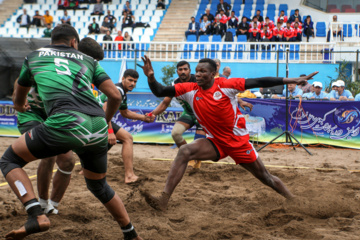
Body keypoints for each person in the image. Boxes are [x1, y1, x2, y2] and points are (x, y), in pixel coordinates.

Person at [1, 24, 142, 240]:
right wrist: (105, 124)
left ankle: (37, 212)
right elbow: (115, 97)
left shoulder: (34, 56)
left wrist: (19, 106)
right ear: (74, 43)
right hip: (84, 122)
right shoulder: (87, 61)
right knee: (97, 184)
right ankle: (130, 233)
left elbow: (17, 97)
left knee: (10, 160)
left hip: (63, 119)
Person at [139, 55, 318, 211]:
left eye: (203, 72)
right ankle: (163, 200)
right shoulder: (189, 88)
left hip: (237, 141)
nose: (198, 74)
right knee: (185, 151)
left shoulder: (225, 85)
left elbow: (260, 81)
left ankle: (293, 200)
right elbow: (160, 91)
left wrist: (292, 80)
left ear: (212, 74)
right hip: (215, 141)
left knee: (266, 178)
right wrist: (151, 77)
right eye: (197, 71)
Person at [96, 69, 154, 183]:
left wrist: (144, 118)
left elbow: (125, 113)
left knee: (106, 143)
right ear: (123, 79)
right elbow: (104, 110)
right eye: (130, 80)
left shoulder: (122, 92)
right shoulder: (118, 90)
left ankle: (86, 169)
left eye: (135, 81)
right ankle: (129, 176)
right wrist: (110, 131)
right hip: (97, 117)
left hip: (95, 117)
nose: (133, 84)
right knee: (127, 138)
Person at [148, 61, 206, 169]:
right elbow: (165, 103)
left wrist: (238, 100)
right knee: (175, 133)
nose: (183, 71)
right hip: (189, 113)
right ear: (177, 71)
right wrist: (152, 114)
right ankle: (190, 157)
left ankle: (197, 159)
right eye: (180, 69)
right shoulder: (175, 83)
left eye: (185, 69)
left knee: (199, 140)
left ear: (190, 70)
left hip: (203, 114)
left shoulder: (199, 81)